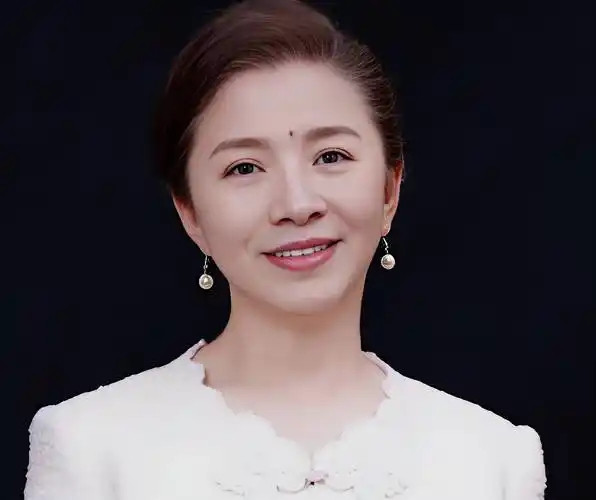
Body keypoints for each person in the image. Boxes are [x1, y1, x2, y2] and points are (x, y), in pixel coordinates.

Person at [24, 0, 547, 498]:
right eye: (244, 168)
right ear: (190, 212)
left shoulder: (493, 457)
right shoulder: (91, 447)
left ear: (391, 188)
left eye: (331, 156)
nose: (297, 205)